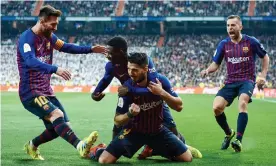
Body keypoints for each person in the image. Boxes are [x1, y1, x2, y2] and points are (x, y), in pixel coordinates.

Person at [17, 5, 107, 160]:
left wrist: (91, 49)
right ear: (42, 21)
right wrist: (55, 69)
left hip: (46, 90)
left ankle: (32, 145)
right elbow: (30, 61)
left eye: (56, 24)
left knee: (62, 126)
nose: (55, 27)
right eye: (53, 24)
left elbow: (66, 47)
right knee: (56, 115)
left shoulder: (49, 37)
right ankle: (81, 146)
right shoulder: (27, 39)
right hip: (31, 91)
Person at [91, 36, 193, 159]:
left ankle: (174, 147)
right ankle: (107, 150)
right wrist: (95, 93)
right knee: (118, 127)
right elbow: (105, 80)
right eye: (129, 69)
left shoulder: (146, 63)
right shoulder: (111, 66)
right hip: (132, 102)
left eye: (110, 52)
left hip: (154, 97)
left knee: (170, 127)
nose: (107, 55)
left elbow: (153, 84)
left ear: (121, 52)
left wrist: (131, 90)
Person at [201, 15, 269, 152]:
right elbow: (216, 63)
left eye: (233, 25)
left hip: (247, 80)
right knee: (216, 108)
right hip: (230, 81)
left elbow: (265, 57)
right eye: (228, 25)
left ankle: (238, 139)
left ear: (240, 27)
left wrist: (262, 75)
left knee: (243, 102)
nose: (230, 28)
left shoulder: (251, 42)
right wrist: (208, 70)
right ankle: (228, 133)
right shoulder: (223, 44)